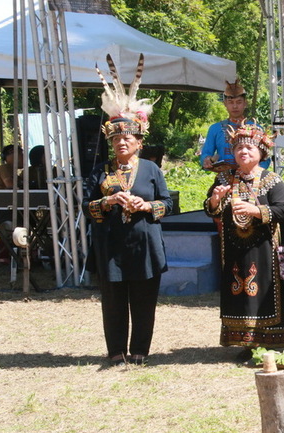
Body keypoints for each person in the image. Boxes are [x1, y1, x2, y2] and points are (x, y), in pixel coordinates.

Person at [84, 54, 172, 367]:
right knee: (113, 301)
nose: (122, 142)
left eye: (127, 138)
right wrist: (106, 202)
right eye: (116, 138)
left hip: (144, 243)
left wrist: (147, 205)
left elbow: (168, 203)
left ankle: (140, 351)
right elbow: (87, 205)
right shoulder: (100, 171)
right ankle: (116, 352)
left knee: (144, 300)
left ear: (138, 142)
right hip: (110, 246)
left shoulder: (150, 169)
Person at [203, 121, 284, 361]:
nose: (243, 152)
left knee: (264, 290)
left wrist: (255, 210)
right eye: (239, 148)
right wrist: (214, 200)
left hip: (263, 248)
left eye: (249, 148)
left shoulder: (272, 180)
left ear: (261, 152)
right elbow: (211, 210)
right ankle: (246, 343)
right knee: (238, 291)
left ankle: (270, 341)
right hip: (234, 247)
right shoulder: (224, 178)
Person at [200, 80, 270, 171]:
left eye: (239, 102)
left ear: (245, 103)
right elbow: (206, 153)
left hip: (251, 178)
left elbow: (265, 159)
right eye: (231, 102)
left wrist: (253, 172)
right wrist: (207, 160)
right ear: (225, 104)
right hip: (224, 179)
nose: (235, 106)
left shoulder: (256, 128)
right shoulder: (215, 129)